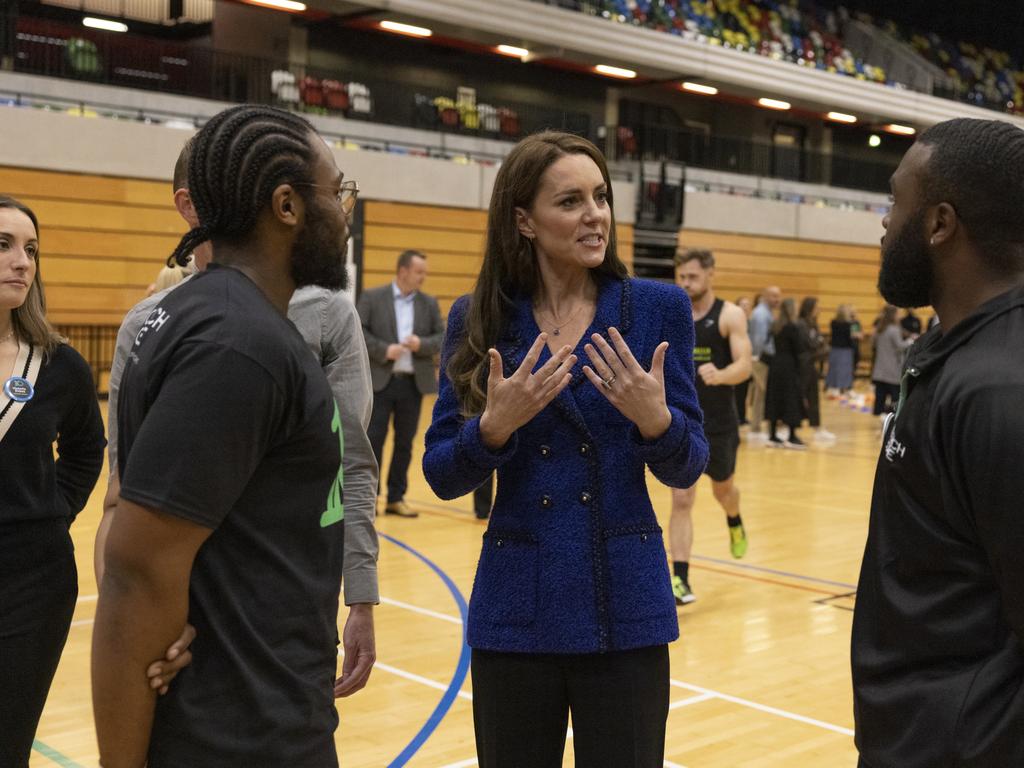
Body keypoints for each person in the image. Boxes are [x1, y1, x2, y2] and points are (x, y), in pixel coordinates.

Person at [422, 131, 708, 767]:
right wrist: (493, 429)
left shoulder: (658, 309)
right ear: (523, 220)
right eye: (572, 201)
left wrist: (655, 420)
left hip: (625, 603)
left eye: (601, 197)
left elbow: (688, 462)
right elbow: (441, 472)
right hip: (518, 601)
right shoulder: (479, 319)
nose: (595, 215)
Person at [92, 105, 357, 767]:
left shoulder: (201, 316)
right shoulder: (238, 346)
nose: (347, 210)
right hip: (242, 732)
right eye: (339, 189)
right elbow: (135, 570)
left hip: (258, 709)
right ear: (287, 205)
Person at [852, 117, 1024, 767]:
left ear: (940, 223)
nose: (884, 223)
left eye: (896, 201)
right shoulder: (944, 349)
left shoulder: (1000, 391)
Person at [0, 196, 105, 766]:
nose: (22, 262)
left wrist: (51, 510)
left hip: (31, 584)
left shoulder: (59, 364)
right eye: (4, 245)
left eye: (31, 249)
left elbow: (88, 450)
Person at [669, 249, 752, 605]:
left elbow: (745, 365)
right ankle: (680, 579)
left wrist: (720, 375)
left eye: (692, 277)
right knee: (682, 497)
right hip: (683, 422)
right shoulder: (674, 313)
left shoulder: (729, 315)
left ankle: (734, 518)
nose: (686, 284)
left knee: (723, 491)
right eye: (682, 277)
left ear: (710, 275)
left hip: (718, 424)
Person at [358, 250, 444, 518]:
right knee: (374, 441)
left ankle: (396, 497)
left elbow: (442, 337)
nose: (423, 278)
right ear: (403, 271)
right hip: (381, 382)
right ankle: (368, 499)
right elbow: (359, 331)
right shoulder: (373, 297)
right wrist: (385, 350)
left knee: (405, 443)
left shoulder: (429, 303)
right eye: (420, 272)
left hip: (412, 384)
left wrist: (421, 345)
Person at [764, 298, 806, 448]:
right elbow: (799, 348)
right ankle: (792, 436)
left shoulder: (775, 326)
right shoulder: (792, 327)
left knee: (775, 398)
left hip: (775, 365)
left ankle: (773, 435)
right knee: (791, 399)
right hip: (789, 366)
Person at [796, 296, 835, 443]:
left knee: (813, 397)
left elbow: (820, 343)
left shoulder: (813, 324)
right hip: (802, 365)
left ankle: (817, 428)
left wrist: (821, 347)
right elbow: (811, 344)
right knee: (799, 396)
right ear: (809, 308)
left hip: (812, 365)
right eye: (817, 307)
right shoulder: (801, 325)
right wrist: (820, 347)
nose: (819, 310)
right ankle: (788, 426)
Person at [869, 305, 913, 418]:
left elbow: (872, 344)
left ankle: (879, 416)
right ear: (893, 315)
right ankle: (891, 416)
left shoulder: (879, 328)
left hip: (880, 369)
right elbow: (899, 346)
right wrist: (909, 341)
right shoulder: (894, 329)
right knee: (895, 396)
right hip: (892, 368)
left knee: (880, 396)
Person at [747, 285, 780, 436]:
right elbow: (760, 340)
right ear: (765, 296)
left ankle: (756, 425)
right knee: (769, 392)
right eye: (774, 296)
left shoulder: (766, 312)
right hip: (762, 359)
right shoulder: (761, 314)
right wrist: (763, 356)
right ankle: (770, 427)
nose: (777, 299)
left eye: (778, 296)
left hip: (759, 358)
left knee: (760, 393)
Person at [825, 304, 858, 395]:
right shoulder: (848, 324)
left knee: (834, 368)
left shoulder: (833, 322)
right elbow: (852, 336)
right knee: (845, 369)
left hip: (835, 349)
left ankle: (833, 386)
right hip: (845, 350)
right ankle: (844, 387)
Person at [734, 295, 753, 425]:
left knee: (745, 391)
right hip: (736, 362)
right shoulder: (734, 322)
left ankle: (742, 416)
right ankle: (736, 417)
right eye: (743, 304)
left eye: (747, 305)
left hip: (748, 360)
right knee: (737, 392)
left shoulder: (750, 323)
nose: (746, 307)